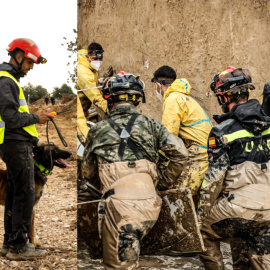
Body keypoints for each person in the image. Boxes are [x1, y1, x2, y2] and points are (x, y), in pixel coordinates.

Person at [82, 72, 188, 269]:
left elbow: (87, 173)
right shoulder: (152, 125)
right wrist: (161, 183)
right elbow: (180, 153)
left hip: (118, 208)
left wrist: (109, 186)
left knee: (121, 265)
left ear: (108, 99)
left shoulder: (97, 130)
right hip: (150, 203)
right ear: (138, 98)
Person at [197, 66, 270, 269]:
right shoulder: (268, 124)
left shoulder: (221, 132)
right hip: (268, 210)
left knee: (202, 231)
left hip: (239, 208)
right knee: (252, 234)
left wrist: (200, 214)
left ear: (224, 97)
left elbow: (213, 181)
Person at [0, 38, 54, 260]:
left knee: (14, 192)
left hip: (12, 143)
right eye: (30, 62)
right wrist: (37, 118)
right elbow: (10, 116)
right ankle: (19, 247)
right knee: (25, 192)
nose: (31, 67)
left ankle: (9, 244)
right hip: (14, 143)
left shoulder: (9, 80)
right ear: (19, 56)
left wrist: (36, 118)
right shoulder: (6, 81)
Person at [152, 65, 212, 205]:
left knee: (179, 201)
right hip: (202, 151)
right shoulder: (183, 97)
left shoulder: (172, 99)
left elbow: (168, 137)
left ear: (158, 85)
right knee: (194, 203)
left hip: (198, 155)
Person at [77, 42, 113, 144]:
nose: (97, 61)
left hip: (84, 109)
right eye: (94, 59)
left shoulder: (88, 65)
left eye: (100, 59)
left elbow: (92, 84)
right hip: (78, 110)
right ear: (88, 57)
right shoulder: (83, 73)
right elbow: (95, 97)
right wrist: (111, 109)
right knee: (86, 139)